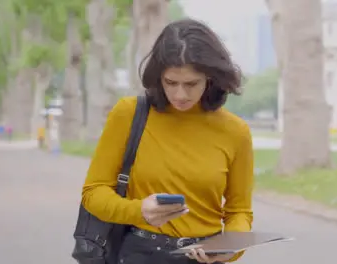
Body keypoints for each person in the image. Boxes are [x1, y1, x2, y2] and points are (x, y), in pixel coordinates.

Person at [81, 18, 253, 264]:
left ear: (211, 78)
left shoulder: (236, 131)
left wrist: (231, 249)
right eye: (171, 82)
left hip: (206, 257)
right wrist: (139, 210)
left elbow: (239, 211)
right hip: (140, 253)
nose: (180, 95)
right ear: (158, 77)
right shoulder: (128, 114)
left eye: (191, 84)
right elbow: (93, 193)